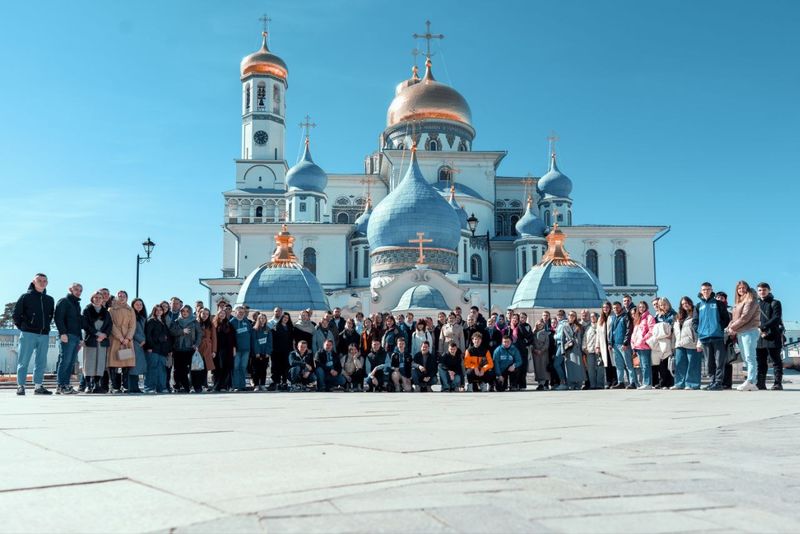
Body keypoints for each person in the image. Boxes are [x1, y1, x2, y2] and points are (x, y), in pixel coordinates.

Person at [13, 274, 56, 395]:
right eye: (39, 280)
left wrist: (46, 328)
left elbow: (50, 316)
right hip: (28, 334)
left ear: (47, 283)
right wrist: (24, 328)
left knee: (41, 361)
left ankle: (38, 386)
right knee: (24, 360)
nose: (42, 283)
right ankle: (20, 386)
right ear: (33, 282)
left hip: (44, 335)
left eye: (44, 281)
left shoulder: (50, 300)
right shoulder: (26, 297)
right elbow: (16, 315)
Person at [692, 282, 731, 391]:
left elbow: (726, 319)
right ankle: (712, 381)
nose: (706, 291)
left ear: (711, 290)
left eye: (708, 289)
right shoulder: (698, 306)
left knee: (719, 360)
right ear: (701, 291)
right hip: (704, 337)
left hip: (717, 336)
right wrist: (699, 330)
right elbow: (695, 321)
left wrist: (719, 328)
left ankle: (718, 382)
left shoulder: (718, 303)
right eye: (704, 289)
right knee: (709, 362)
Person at [725, 281, 760, 391]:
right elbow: (735, 318)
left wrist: (732, 328)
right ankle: (751, 382)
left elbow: (745, 317)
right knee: (745, 358)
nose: (741, 290)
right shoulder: (739, 302)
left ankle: (751, 381)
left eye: (743, 288)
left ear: (747, 288)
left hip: (749, 331)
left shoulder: (751, 300)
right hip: (741, 332)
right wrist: (729, 327)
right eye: (739, 288)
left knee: (750, 357)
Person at [54, 282, 83, 394]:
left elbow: (79, 323)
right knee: (65, 361)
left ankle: (66, 385)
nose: (78, 292)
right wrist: (63, 333)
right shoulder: (64, 301)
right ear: (70, 289)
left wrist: (80, 338)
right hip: (67, 336)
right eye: (76, 289)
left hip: (75, 337)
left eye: (80, 290)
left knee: (71, 362)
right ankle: (60, 386)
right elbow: (58, 318)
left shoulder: (77, 304)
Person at [81, 291, 112, 394]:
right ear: (92, 298)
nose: (98, 299)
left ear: (103, 299)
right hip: (91, 339)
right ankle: (88, 385)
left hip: (102, 340)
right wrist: (97, 334)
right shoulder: (87, 310)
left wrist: (104, 335)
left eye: (100, 297)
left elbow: (109, 325)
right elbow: (85, 325)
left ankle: (96, 385)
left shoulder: (106, 312)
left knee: (100, 362)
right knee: (89, 362)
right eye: (96, 297)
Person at [755, 282, 784, 390]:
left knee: (776, 361)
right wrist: (758, 329)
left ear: (769, 290)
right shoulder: (756, 304)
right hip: (759, 337)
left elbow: (776, 318)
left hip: (772, 336)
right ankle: (761, 383)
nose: (762, 292)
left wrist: (763, 327)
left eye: (764, 290)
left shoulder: (775, 303)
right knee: (761, 363)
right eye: (760, 290)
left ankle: (778, 383)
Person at [108, 291, 137, 394]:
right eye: (119, 296)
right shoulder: (111, 309)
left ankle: (125, 386)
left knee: (126, 364)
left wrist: (128, 338)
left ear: (127, 297)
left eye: (123, 296)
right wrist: (120, 337)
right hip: (115, 339)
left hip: (127, 340)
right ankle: (115, 387)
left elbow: (133, 325)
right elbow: (111, 324)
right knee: (114, 363)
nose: (121, 298)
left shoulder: (130, 310)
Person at [170, 305, 202, 393]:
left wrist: (196, 344)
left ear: (190, 312)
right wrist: (182, 331)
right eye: (183, 311)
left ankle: (197, 387)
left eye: (187, 311)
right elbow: (172, 332)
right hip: (178, 349)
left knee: (194, 370)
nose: (185, 313)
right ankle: (181, 387)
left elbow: (199, 334)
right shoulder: (176, 321)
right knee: (178, 370)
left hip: (190, 349)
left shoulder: (194, 322)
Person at [673, 297, 701, 390]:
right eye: (683, 303)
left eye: (687, 303)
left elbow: (698, 329)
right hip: (679, 343)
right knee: (680, 364)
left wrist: (699, 342)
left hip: (692, 342)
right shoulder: (678, 316)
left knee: (693, 364)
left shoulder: (695, 313)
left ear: (690, 302)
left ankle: (692, 384)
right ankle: (679, 383)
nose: (685, 305)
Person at [610, 301, 637, 389]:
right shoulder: (614, 318)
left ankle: (633, 382)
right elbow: (611, 331)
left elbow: (629, 330)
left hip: (623, 344)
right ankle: (620, 382)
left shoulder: (626, 316)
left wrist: (625, 342)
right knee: (619, 365)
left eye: (617, 307)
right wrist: (610, 342)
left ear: (621, 307)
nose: (615, 309)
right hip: (615, 345)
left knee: (628, 364)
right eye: (614, 308)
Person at [144, 304, 170, 393]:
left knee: (162, 369)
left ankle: (161, 388)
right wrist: (150, 346)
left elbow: (167, 336)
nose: (159, 311)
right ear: (154, 311)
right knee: (152, 368)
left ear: (163, 311)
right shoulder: (151, 321)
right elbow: (148, 335)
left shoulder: (163, 321)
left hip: (162, 350)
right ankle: (149, 388)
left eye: (160, 310)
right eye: (157, 310)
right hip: (153, 349)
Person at [631, 302, 656, 389]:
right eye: (640, 307)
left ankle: (647, 383)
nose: (641, 308)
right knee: (642, 365)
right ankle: (645, 383)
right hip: (637, 346)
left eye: (643, 307)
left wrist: (643, 340)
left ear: (646, 307)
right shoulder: (638, 318)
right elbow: (635, 332)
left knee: (646, 365)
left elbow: (651, 330)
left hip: (645, 345)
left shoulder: (649, 317)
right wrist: (632, 341)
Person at [652, 297, 676, 388]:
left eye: (664, 304)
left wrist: (671, 333)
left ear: (668, 304)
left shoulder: (673, 314)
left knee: (669, 362)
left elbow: (674, 326)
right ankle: (663, 382)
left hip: (670, 340)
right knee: (661, 363)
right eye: (661, 305)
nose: (663, 306)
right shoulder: (658, 316)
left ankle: (670, 382)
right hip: (661, 341)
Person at [229, 306, 253, 391]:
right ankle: (236, 386)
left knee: (243, 367)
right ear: (235, 313)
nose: (241, 314)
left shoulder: (247, 322)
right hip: (236, 350)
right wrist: (233, 348)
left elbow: (251, 335)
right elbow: (230, 337)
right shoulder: (231, 322)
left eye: (243, 312)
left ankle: (242, 386)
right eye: (239, 312)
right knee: (236, 367)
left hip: (246, 349)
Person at [213, 307, 236, 392]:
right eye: (220, 313)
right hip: (217, 350)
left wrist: (234, 348)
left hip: (228, 350)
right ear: (218, 315)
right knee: (217, 369)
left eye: (223, 313)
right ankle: (216, 386)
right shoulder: (214, 324)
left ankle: (224, 386)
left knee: (226, 368)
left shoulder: (229, 324)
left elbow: (233, 338)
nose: (222, 315)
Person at [561, 311, 585, 390]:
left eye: (573, 315)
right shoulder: (564, 326)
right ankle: (571, 384)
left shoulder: (579, 326)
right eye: (569, 315)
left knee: (579, 367)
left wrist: (583, 348)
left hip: (578, 349)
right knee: (570, 367)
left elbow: (583, 338)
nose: (571, 316)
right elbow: (562, 339)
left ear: (575, 317)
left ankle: (579, 384)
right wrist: (563, 351)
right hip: (569, 349)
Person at [269, 312, 293, 391]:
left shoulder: (289, 327)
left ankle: (284, 382)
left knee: (285, 367)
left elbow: (291, 340)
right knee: (276, 368)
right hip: (277, 351)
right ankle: (277, 382)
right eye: (284, 317)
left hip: (287, 351)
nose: (285, 319)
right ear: (281, 318)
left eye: (287, 318)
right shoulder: (276, 327)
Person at [128, 298, 147, 394]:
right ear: (133, 305)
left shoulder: (142, 317)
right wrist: (141, 340)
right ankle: (132, 387)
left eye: (141, 304)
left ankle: (135, 387)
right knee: (133, 366)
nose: (139, 306)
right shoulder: (132, 316)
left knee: (138, 367)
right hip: (135, 343)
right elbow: (132, 330)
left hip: (142, 344)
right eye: (137, 304)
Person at [196, 308, 218, 392]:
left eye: (206, 314)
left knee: (205, 367)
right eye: (203, 313)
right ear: (200, 314)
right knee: (197, 367)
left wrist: (214, 351)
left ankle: (204, 384)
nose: (205, 315)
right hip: (198, 347)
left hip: (207, 348)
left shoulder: (211, 324)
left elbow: (214, 338)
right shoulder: (196, 323)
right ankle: (196, 385)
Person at [596, 301, 615, 388]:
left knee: (613, 362)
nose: (605, 309)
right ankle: (608, 381)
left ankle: (615, 380)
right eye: (603, 307)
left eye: (607, 307)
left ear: (610, 308)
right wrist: (597, 346)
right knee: (606, 363)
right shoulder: (600, 319)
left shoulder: (613, 317)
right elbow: (598, 334)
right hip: (603, 344)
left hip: (611, 343)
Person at [250, 314, 272, 391]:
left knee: (263, 370)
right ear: (258, 319)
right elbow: (254, 341)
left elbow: (269, 342)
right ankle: (256, 385)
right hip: (256, 353)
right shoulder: (254, 329)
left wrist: (268, 352)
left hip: (265, 353)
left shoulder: (268, 329)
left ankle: (262, 384)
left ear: (266, 320)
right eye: (261, 318)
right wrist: (257, 352)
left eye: (264, 318)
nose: (262, 319)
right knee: (256, 370)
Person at [583, 312, 604, 389]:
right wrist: (584, 347)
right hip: (590, 350)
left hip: (599, 350)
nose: (592, 318)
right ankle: (593, 384)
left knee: (600, 367)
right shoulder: (588, 328)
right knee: (590, 368)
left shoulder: (601, 326)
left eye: (594, 316)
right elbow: (585, 338)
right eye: (591, 317)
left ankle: (600, 384)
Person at [531, 319, 550, 390]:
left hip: (543, 353)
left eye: (541, 324)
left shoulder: (545, 333)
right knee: (537, 369)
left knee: (543, 369)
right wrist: (534, 350)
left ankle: (543, 383)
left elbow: (547, 343)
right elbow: (531, 343)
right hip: (535, 354)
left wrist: (542, 350)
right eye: (539, 324)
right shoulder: (533, 333)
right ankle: (539, 383)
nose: (540, 326)